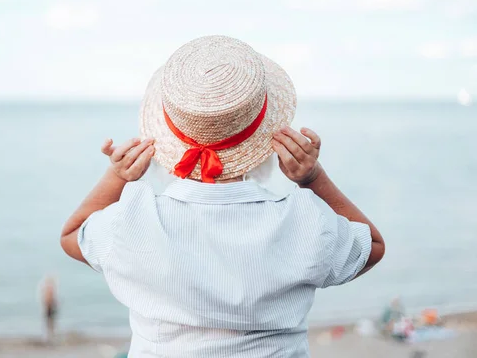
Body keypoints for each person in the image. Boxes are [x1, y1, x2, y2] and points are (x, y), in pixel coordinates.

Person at [60, 35, 385, 357]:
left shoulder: (132, 219)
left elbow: (72, 236)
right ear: (267, 136)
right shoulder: (304, 219)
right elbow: (372, 246)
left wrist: (116, 176)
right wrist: (314, 178)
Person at [41, 276, 58, 343]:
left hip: (49, 308)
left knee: (50, 323)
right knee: (50, 323)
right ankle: (49, 337)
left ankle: (49, 337)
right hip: (49, 308)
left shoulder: (48, 289)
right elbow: (49, 300)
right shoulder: (49, 289)